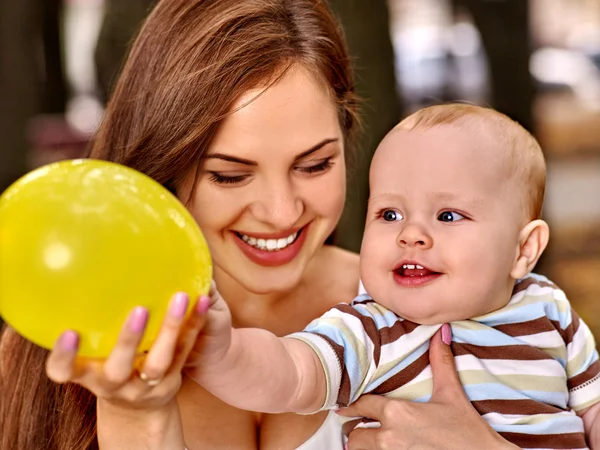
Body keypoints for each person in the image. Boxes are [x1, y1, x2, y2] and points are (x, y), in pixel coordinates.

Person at [0, 1, 546, 449]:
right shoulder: (49, 349)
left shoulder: (459, 300)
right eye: (230, 176)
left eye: (316, 165)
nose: (283, 212)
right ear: (160, 164)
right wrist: (135, 420)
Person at [184, 104, 600, 449]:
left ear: (523, 249)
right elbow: (291, 373)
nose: (411, 234)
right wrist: (223, 351)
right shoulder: (371, 327)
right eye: (390, 214)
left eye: (448, 215)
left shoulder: (548, 307)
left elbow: (593, 408)